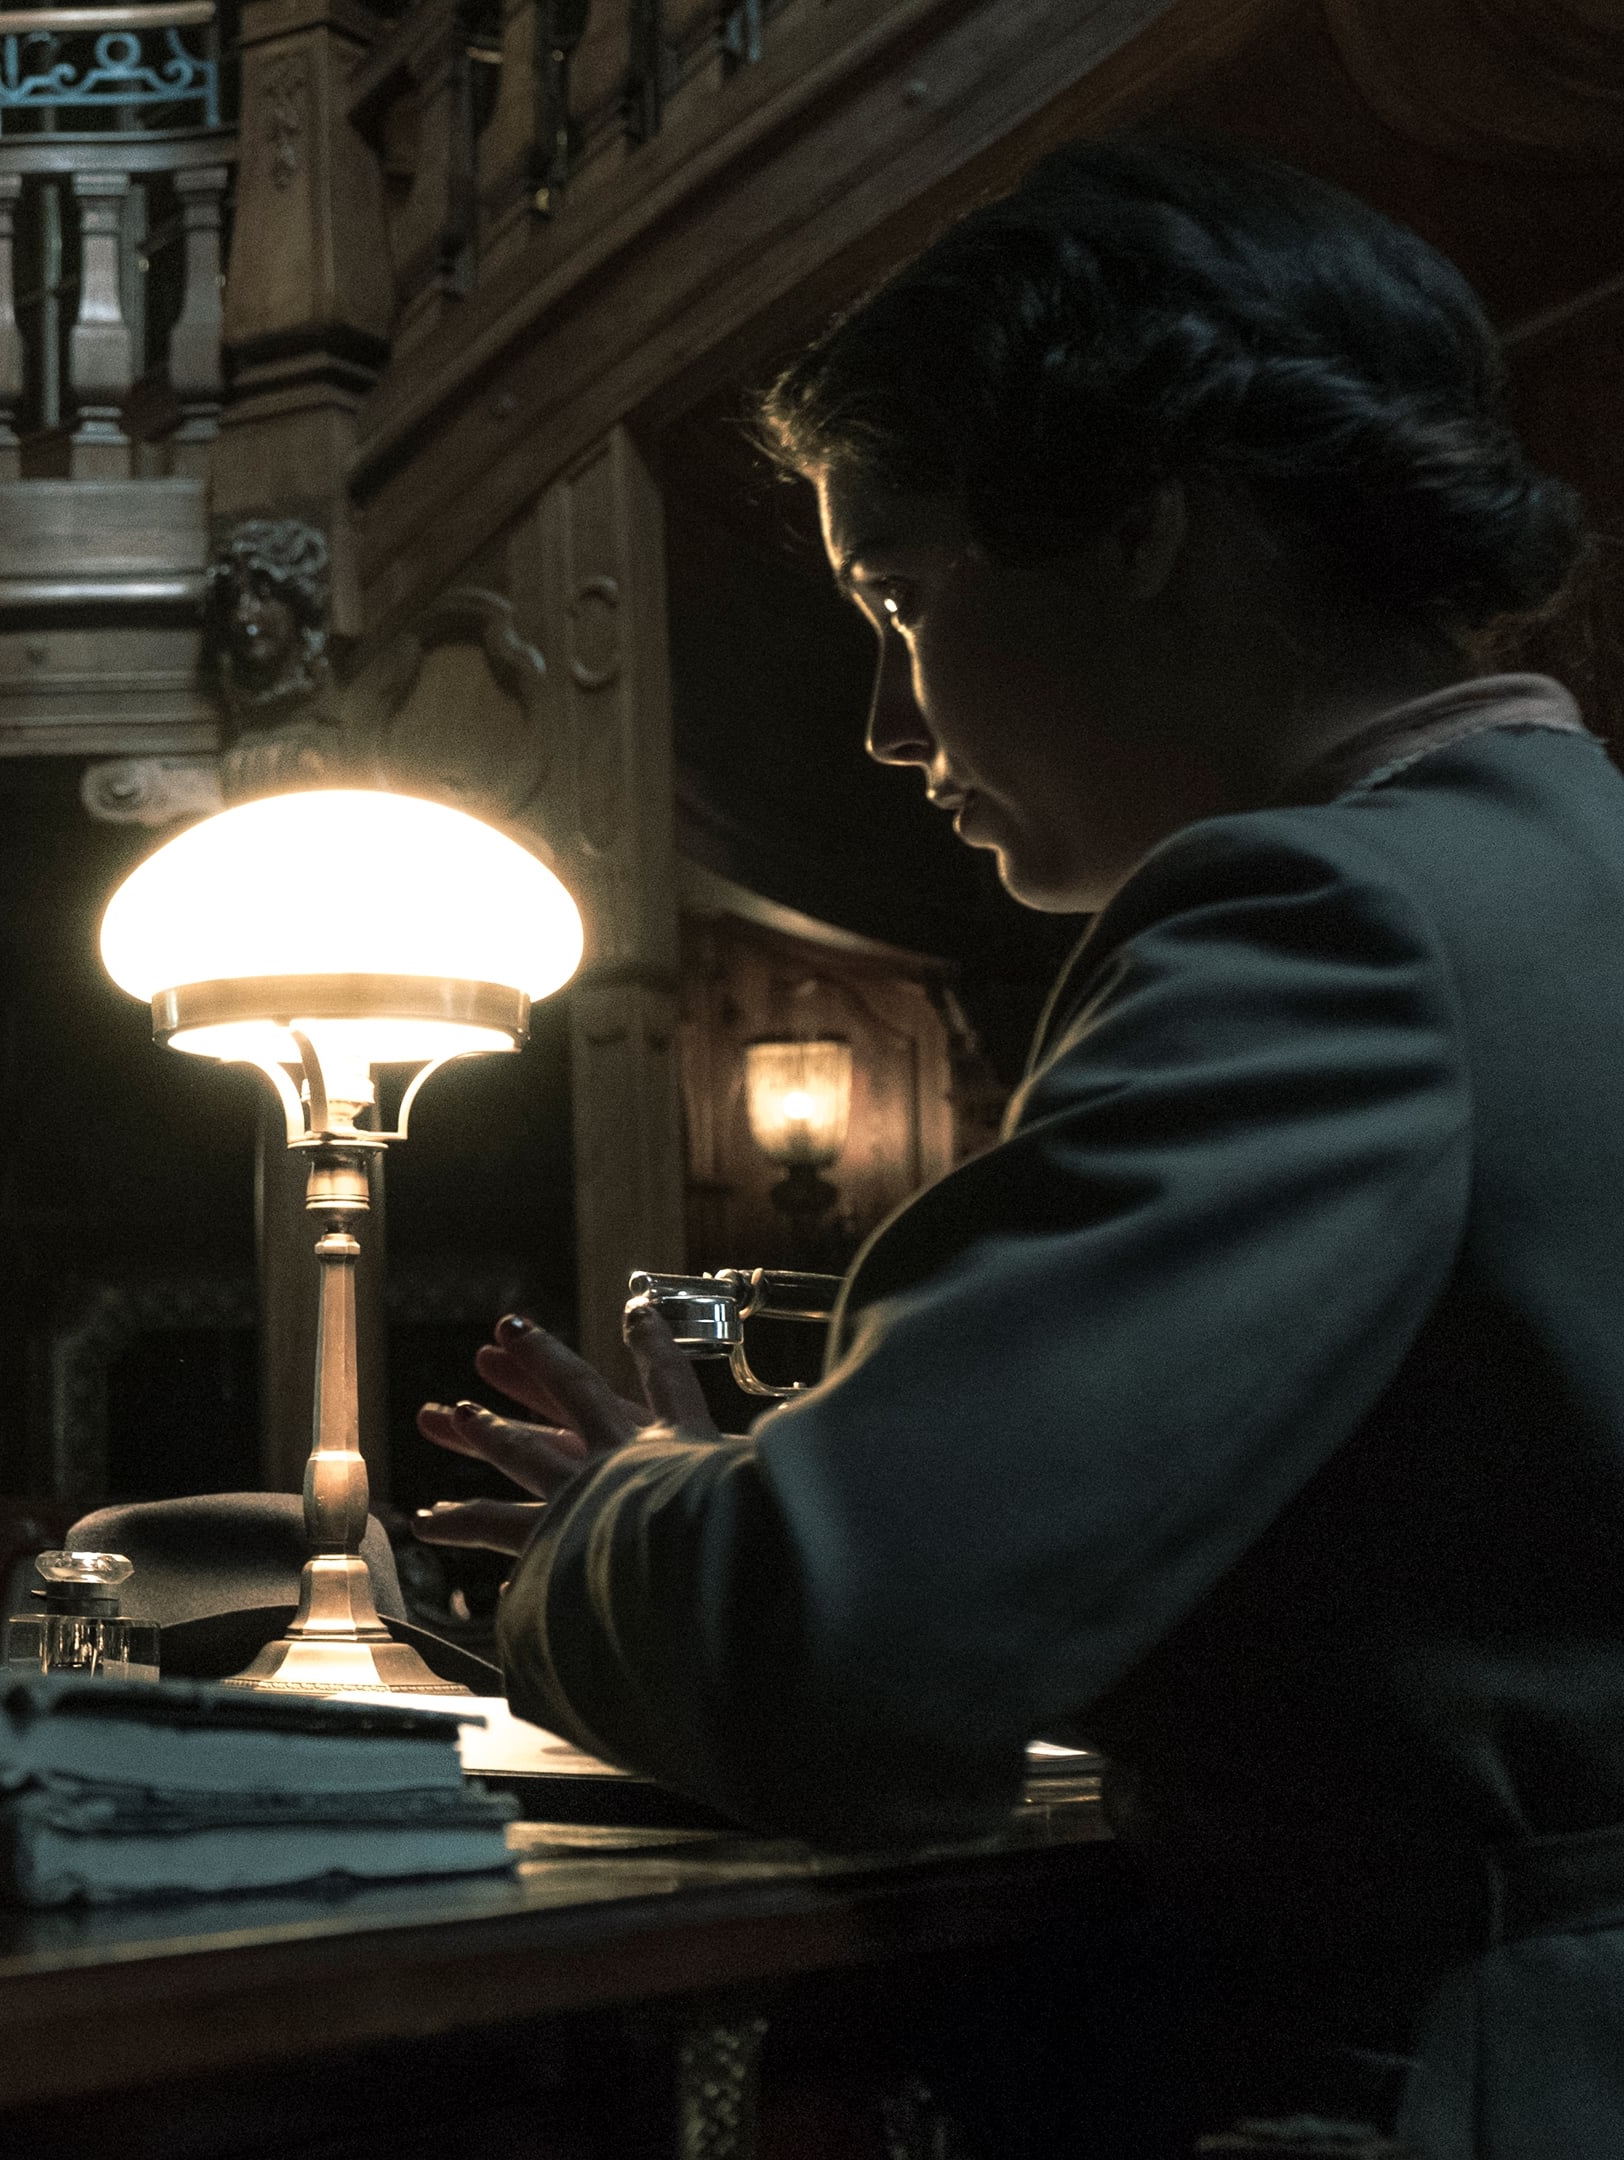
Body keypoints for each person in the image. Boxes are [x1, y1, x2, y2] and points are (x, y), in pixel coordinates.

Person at [406, 138, 1616, 2154]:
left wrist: (607, 1524)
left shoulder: (1330, 921)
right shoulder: (1574, 871)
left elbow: (847, 1655)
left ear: (1140, 525)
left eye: (898, 594)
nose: (891, 724)